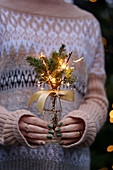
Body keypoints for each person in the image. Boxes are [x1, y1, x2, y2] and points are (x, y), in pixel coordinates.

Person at [0, 0, 108, 169]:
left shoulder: (88, 24)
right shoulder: (2, 13)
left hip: (71, 163)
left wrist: (86, 122)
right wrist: (6, 124)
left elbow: (97, 96)